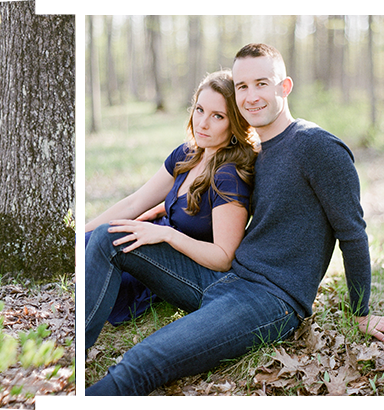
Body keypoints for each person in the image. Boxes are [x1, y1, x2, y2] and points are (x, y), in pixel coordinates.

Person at [75, 43, 384, 410]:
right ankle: (69, 355)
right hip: (226, 278)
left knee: (141, 364)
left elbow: (352, 232)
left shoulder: (318, 147)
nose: (251, 96)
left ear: (284, 86)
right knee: (112, 237)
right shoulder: (257, 154)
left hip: (270, 300)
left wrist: (360, 311)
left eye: (261, 84)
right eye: (242, 86)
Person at [74, 70, 257, 331]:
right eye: (200, 110)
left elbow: (223, 257)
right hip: (148, 239)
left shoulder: (228, 176)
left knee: (83, 275)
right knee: (69, 249)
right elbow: (133, 203)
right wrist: (78, 237)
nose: (203, 123)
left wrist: (166, 235)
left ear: (235, 123)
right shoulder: (188, 154)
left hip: (166, 267)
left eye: (218, 116)